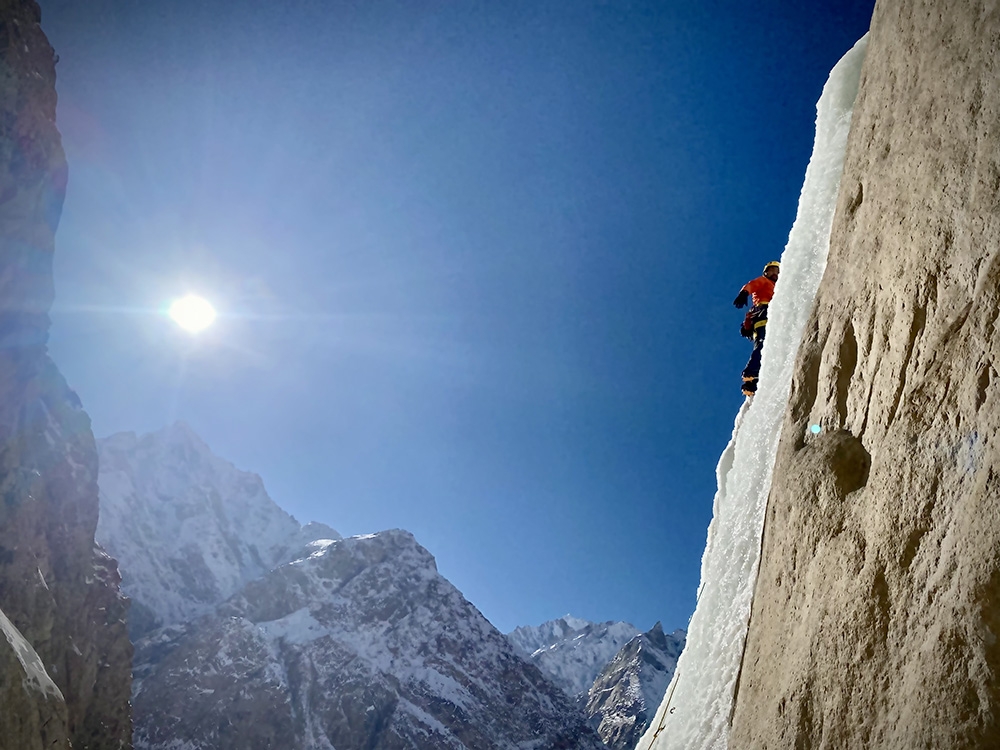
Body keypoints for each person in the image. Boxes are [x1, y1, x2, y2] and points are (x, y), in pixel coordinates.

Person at [733, 261, 780, 396]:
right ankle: (751, 372)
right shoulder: (764, 281)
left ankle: (752, 384)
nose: (774, 273)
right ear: (765, 272)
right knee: (763, 344)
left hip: (768, 314)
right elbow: (753, 285)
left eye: (777, 271)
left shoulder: (778, 287)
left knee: (767, 346)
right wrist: (744, 293)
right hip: (763, 313)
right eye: (771, 270)